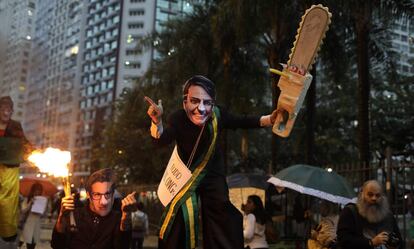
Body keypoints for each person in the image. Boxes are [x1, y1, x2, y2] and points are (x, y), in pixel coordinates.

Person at [145, 75, 278, 249]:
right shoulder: (177, 118)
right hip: (185, 178)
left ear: (213, 104)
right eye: (194, 101)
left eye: (207, 103)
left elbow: (241, 121)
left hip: (212, 175)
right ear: (185, 102)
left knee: (222, 214)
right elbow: (161, 140)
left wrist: (270, 119)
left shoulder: (218, 115)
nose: (200, 108)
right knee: (178, 219)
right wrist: (157, 121)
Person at [51, 168, 137, 249]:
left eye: (107, 194)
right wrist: (61, 217)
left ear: (113, 194)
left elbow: (123, 246)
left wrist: (126, 216)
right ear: (88, 195)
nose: (104, 202)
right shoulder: (74, 215)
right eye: (97, 195)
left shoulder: (118, 218)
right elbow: (57, 245)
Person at [0, 96, 32, 247]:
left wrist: (33, 153)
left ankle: (7, 234)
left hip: (10, 168)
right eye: (3, 109)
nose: (6, 112)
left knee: (8, 201)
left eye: (9, 109)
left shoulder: (15, 126)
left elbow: (24, 143)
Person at [337, 180, 403, 249]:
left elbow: (399, 242)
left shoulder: (388, 215)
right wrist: (371, 242)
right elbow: (343, 240)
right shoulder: (350, 212)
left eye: (377, 195)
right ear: (362, 194)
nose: (374, 198)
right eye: (370, 195)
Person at [19, 183, 46, 249]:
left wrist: (42, 207)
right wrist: (30, 203)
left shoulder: (42, 200)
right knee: (22, 242)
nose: (37, 192)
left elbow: (44, 214)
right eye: (36, 190)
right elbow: (23, 210)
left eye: (39, 190)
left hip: (37, 225)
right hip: (27, 224)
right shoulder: (27, 199)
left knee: (32, 245)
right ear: (32, 190)